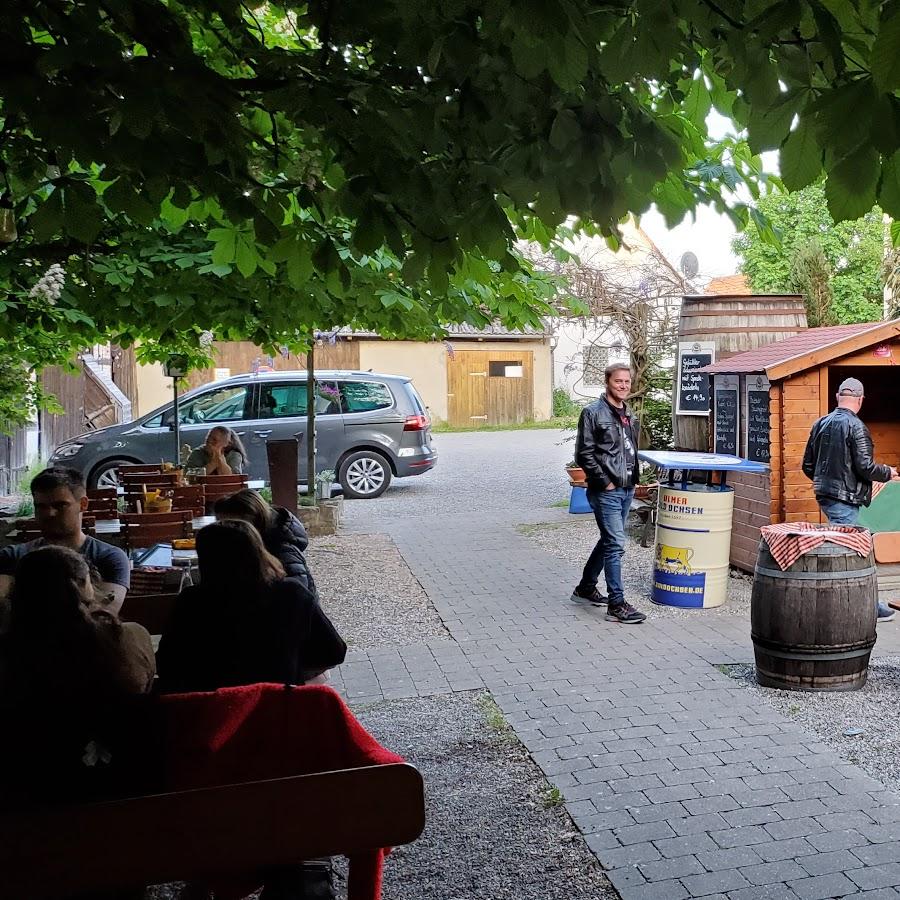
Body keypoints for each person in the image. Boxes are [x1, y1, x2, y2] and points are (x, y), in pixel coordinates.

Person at [0, 546, 155, 808]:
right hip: (126, 788)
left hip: (29, 798)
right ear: (84, 584)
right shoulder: (129, 640)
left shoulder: (10, 655)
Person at [156, 520, 346, 694]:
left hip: (214, 716)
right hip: (278, 709)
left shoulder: (192, 602)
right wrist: (289, 662)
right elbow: (334, 652)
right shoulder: (292, 593)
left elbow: (166, 666)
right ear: (258, 550)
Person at [802, 376, 900, 623]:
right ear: (860, 400)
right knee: (853, 554)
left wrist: (825, 482)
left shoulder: (820, 423)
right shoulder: (856, 427)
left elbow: (807, 465)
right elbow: (865, 467)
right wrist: (887, 472)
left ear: (837, 397)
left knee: (844, 549)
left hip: (824, 495)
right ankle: (864, 606)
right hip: (843, 500)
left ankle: (847, 602)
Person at [0, 467, 130, 625]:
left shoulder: (109, 558)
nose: (49, 514)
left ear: (83, 504)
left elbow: (101, 619)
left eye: (60, 505)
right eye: (41, 507)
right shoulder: (12, 556)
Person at [569, 364, 647, 624]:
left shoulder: (628, 413)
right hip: (607, 490)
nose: (623, 386)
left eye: (627, 381)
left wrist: (633, 480)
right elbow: (584, 453)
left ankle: (585, 588)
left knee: (608, 540)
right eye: (618, 382)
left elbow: (628, 450)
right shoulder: (593, 412)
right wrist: (605, 482)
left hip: (627, 487)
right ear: (607, 383)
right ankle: (617, 603)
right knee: (615, 544)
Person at [213, 488, 317, 594]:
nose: (221, 532)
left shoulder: (283, 552)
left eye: (229, 527)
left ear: (252, 524)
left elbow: (298, 599)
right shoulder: (255, 544)